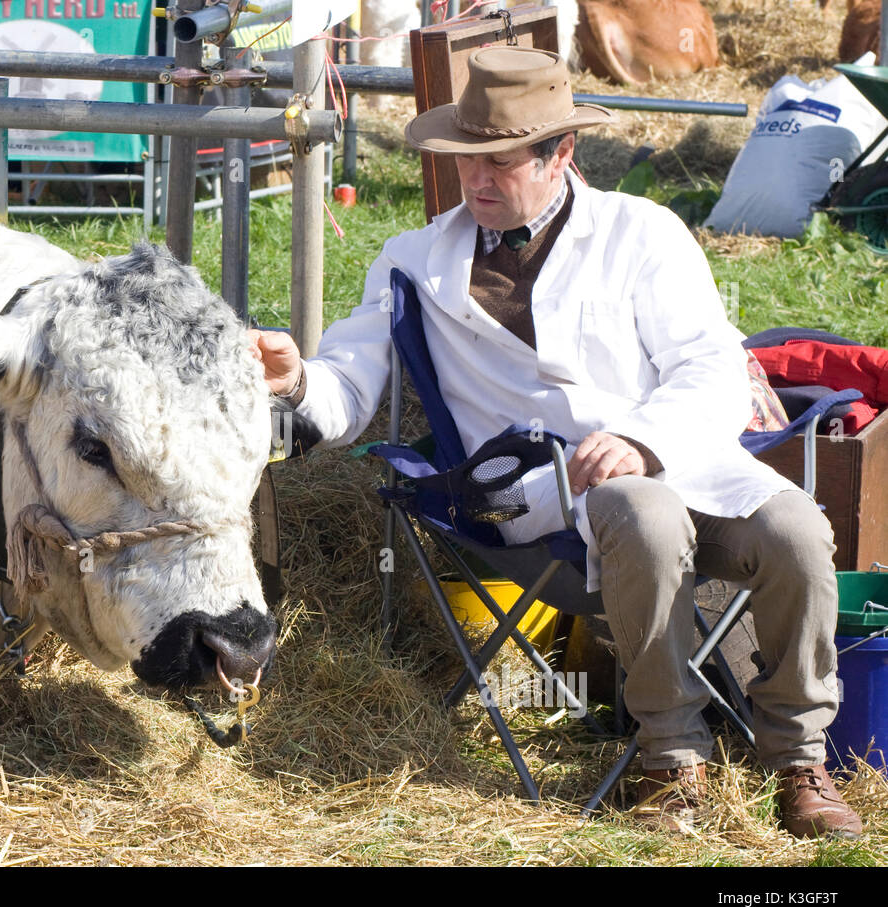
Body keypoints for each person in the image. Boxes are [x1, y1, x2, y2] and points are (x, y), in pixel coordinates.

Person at [249, 46, 862, 838]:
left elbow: (711, 368)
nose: (477, 183)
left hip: (683, 461)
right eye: (469, 162)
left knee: (798, 531)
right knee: (639, 512)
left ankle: (796, 760)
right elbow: (353, 385)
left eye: (501, 163)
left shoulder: (643, 232)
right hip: (535, 498)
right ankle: (671, 758)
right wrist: (299, 379)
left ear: (561, 153)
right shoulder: (413, 260)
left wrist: (641, 439)